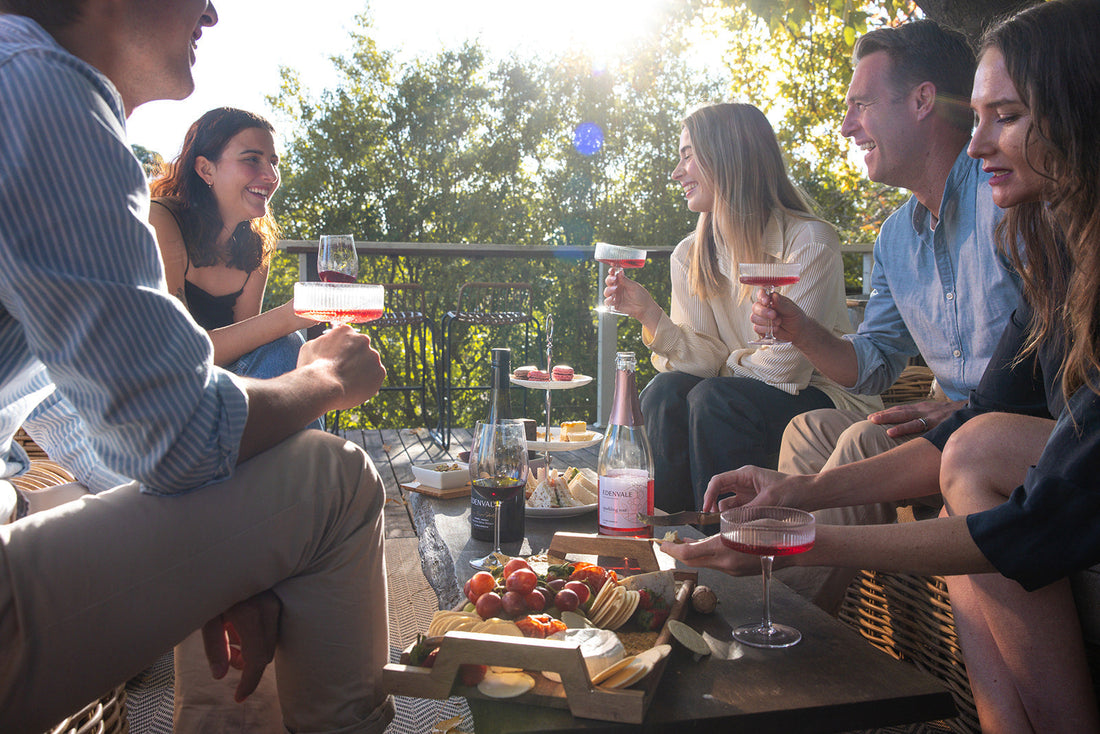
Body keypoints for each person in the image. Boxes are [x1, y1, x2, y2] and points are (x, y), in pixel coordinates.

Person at [667, 3, 1100, 730]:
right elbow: (881, 371)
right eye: (982, 115)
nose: (976, 144)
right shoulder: (1053, 254)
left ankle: (768, 648)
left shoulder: (1018, 222)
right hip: (990, 427)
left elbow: (1036, 494)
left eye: (1007, 116)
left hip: (1028, 445)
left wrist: (797, 533)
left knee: (974, 454)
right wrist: (794, 494)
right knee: (935, 450)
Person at [0, 4, 394, 734]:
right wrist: (329, 380)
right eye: (254, 158)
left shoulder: (22, 83)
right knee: (334, 478)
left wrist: (219, 555)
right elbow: (176, 428)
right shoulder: (36, 86)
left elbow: (68, 401)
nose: (212, 11)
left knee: (254, 457)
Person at [755, 20, 1022, 614]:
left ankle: (786, 633)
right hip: (943, 425)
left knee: (857, 439)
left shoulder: (1008, 196)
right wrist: (798, 328)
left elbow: (1052, 352)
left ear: (923, 100)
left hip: (1004, 431)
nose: (847, 125)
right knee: (806, 431)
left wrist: (963, 410)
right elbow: (871, 368)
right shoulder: (896, 237)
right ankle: (836, 627)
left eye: (862, 105)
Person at [602, 102, 880, 514]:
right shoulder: (690, 255)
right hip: (734, 397)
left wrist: (720, 368)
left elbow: (786, 368)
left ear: (727, 157)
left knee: (714, 399)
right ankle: (669, 542)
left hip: (823, 398)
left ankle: (732, 552)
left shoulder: (809, 242)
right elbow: (699, 367)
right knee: (664, 392)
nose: (677, 173)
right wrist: (650, 315)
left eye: (687, 156)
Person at [149, 107, 318, 382]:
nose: (272, 176)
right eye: (252, 159)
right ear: (205, 169)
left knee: (287, 350)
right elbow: (175, 352)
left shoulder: (256, 243)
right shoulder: (160, 220)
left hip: (218, 384)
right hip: (154, 385)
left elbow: (245, 350)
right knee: (288, 346)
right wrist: (291, 316)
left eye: (274, 162)